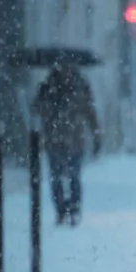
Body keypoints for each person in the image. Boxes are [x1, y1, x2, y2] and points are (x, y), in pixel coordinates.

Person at [31, 64, 101, 226]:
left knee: (73, 176)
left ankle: (74, 209)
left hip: (74, 140)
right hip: (55, 140)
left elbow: (90, 113)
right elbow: (36, 110)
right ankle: (61, 209)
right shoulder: (48, 87)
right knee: (56, 177)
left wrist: (96, 135)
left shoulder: (80, 86)